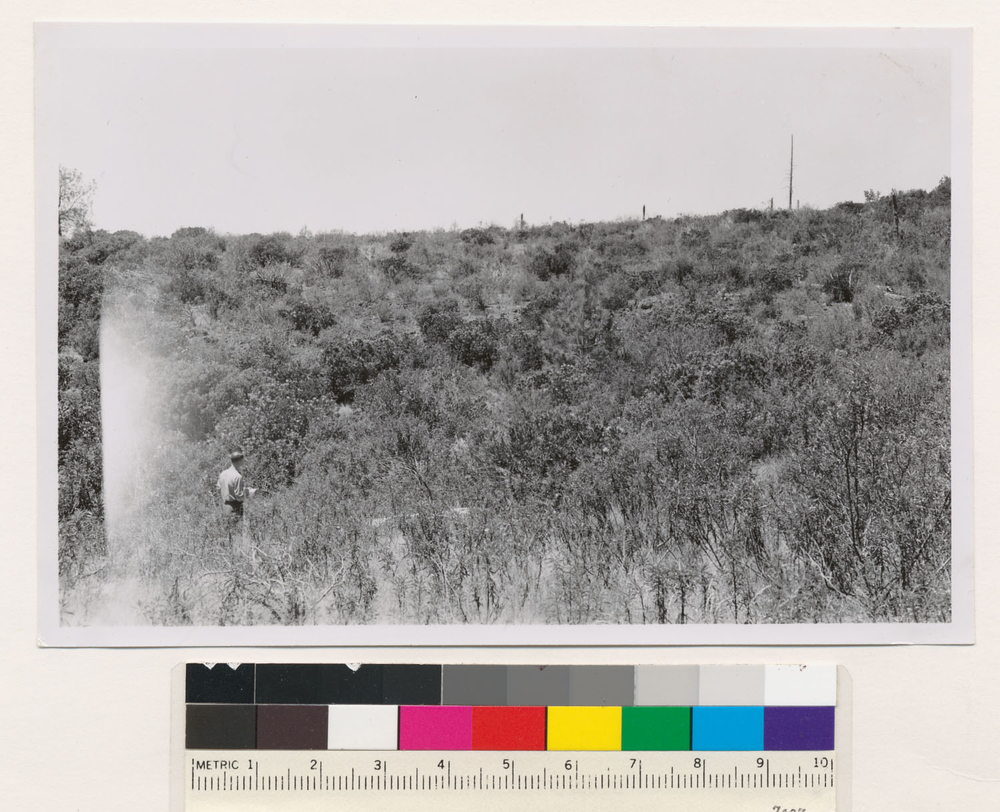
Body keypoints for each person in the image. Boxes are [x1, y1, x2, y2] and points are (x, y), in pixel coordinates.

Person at [217, 451, 257, 521]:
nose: (243, 463)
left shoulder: (223, 473)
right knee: (236, 530)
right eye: (243, 461)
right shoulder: (237, 476)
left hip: (225, 507)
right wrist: (248, 492)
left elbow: (218, 489)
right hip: (235, 508)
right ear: (240, 461)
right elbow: (239, 497)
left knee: (227, 530)